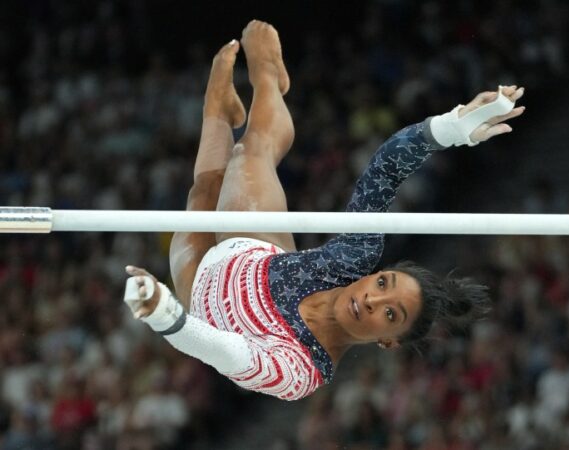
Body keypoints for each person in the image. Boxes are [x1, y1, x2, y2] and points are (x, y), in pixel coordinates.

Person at [123, 20, 525, 400]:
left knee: (204, 190)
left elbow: (229, 353)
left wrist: (165, 315)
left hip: (201, 300)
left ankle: (219, 105)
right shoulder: (353, 260)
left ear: (389, 341)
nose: (372, 300)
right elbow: (384, 168)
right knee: (249, 153)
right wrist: (451, 128)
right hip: (252, 252)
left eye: (390, 314)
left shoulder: (301, 371)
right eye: (383, 284)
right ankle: (267, 77)